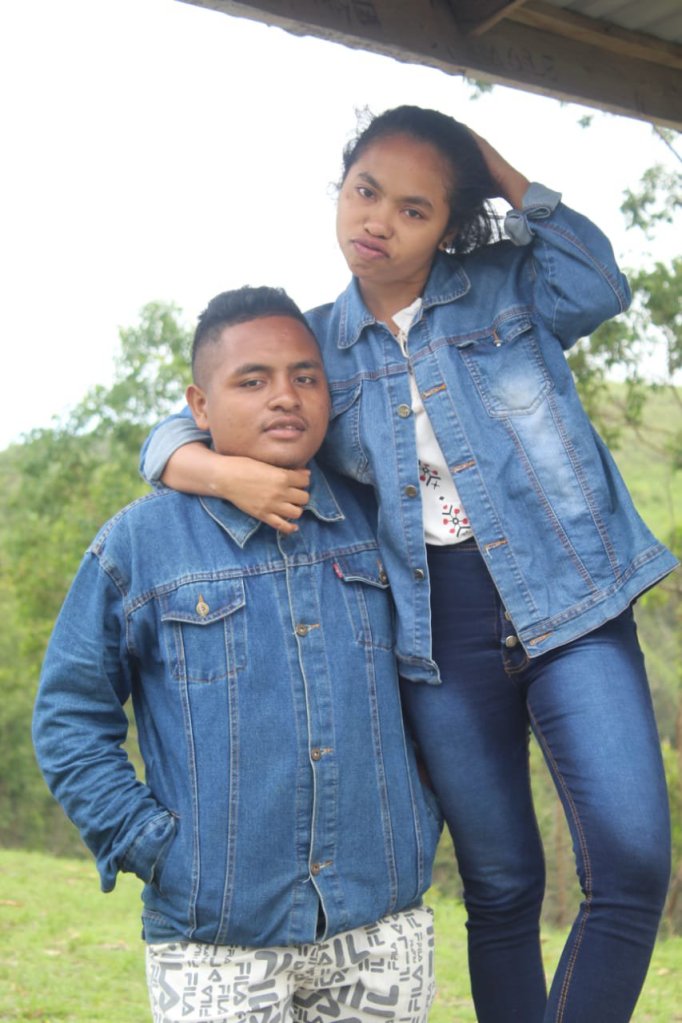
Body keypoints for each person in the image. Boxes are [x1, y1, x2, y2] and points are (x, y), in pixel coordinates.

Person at [139, 108, 677, 1023]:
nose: (378, 220)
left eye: (415, 208)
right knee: (502, 884)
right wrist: (222, 470)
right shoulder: (315, 346)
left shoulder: (510, 287)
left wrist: (489, 163)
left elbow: (598, 280)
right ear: (341, 186)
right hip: (438, 639)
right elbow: (173, 431)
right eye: (365, 190)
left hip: (574, 603)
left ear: (451, 222)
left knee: (631, 862)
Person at [32, 285, 443, 1023]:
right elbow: (69, 717)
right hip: (216, 937)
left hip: (380, 925)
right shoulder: (140, 544)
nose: (284, 396)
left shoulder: (380, 517)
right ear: (199, 404)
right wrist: (152, 846)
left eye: (304, 376)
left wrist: (423, 814)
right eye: (252, 381)